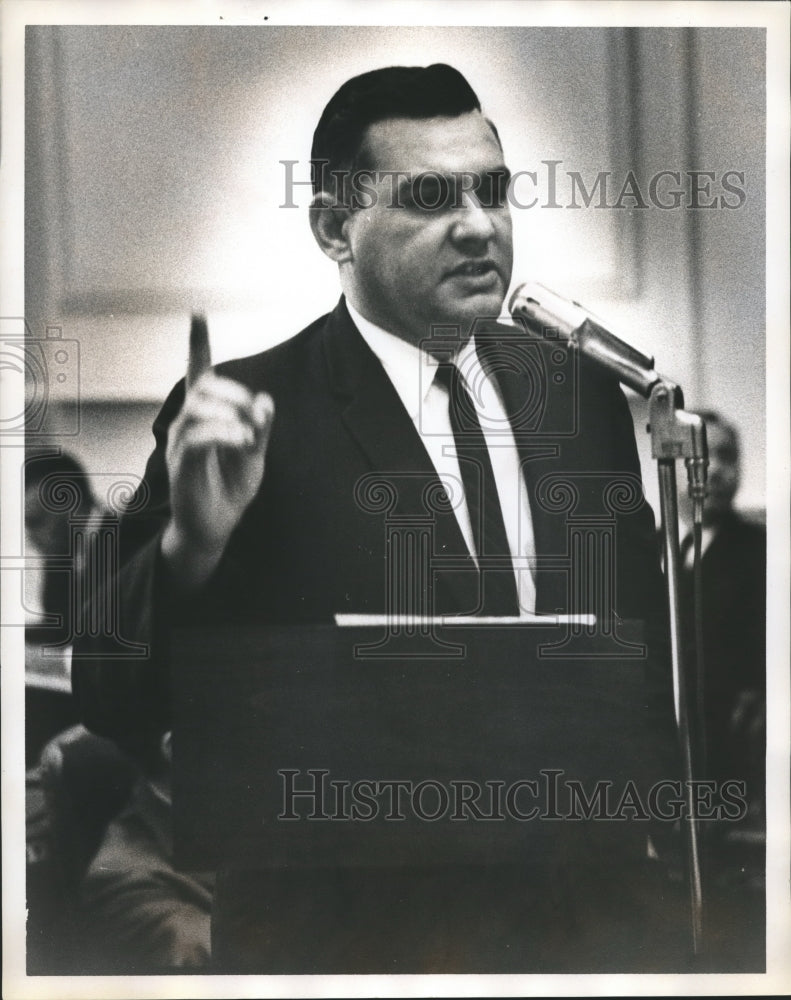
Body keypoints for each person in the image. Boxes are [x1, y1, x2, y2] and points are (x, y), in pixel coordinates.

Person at [73, 64, 682, 972]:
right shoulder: (243, 407)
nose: (478, 226)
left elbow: (635, 668)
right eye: (431, 199)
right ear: (333, 228)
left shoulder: (584, 395)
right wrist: (190, 546)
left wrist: (667, 896)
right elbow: (109, 693)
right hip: (348, 944)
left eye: (493, 191)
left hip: (584, 931)